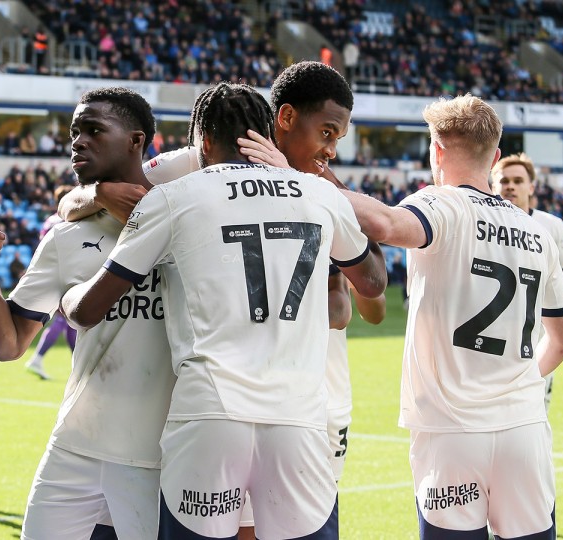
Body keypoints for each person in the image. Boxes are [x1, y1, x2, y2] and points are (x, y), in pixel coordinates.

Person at [60, 82, 387, 539]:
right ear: (271, 132)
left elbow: (87, 310)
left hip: (209, 414)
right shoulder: (318, 194)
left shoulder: (175, 195)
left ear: (204, 140)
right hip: (299, 415)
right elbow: (372, 282)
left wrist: (68, 297)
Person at [313, 95, 563, 538]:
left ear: (435, 151)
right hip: (524, 428)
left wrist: (307, 179)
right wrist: (525, 381)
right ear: (494, 158)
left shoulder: (441, 204)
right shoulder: (538, 231)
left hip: (451, 431)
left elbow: (388, 225)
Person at [0, 87, 174, 539]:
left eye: (94, 130)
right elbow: (9, 343)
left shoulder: (184, 216)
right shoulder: (65, 237)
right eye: (74, 132)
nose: (77, 141)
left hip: (159, 454)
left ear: (137, 140)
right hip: (75, 445)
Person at [491, 152, 563, 412]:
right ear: (492, 186)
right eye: (504, 180)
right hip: (486, 344)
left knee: (531, 420)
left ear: (531, 187)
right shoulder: (481, 224)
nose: (510, 185)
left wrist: (523, 275)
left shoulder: (550, 226)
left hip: (535, 345)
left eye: (518, 180)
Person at [24, 185, 78, 381]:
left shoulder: (49, 221)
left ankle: (75, 366)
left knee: (68, 322)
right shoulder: (68, 221)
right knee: (67, 319)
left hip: (50, 274)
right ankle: (40, 359)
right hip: (65, 275)